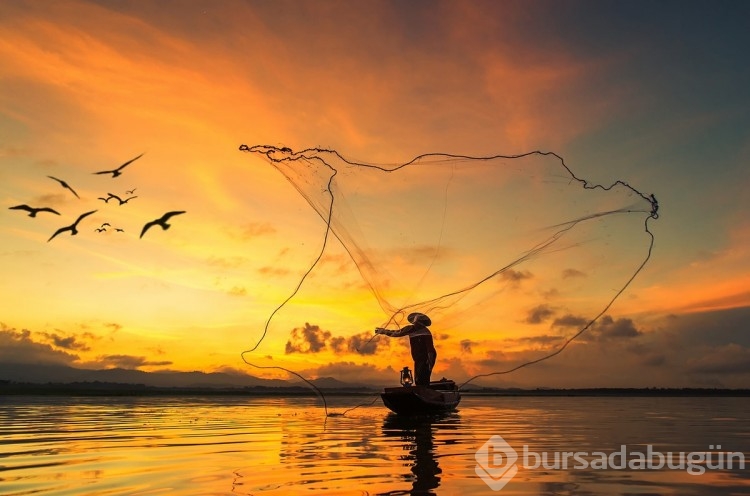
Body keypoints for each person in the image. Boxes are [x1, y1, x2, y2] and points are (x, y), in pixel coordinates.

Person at [375, 313, 436, 386]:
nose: (416, 324)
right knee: (419, 378)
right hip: (418, 358)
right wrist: (384, 331)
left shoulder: (425, 332)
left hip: (425, 358)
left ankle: (424, 393)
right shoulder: (411, 329)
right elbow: (397, 332)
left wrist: (430, 362)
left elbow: (430, 350)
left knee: (422, 379)